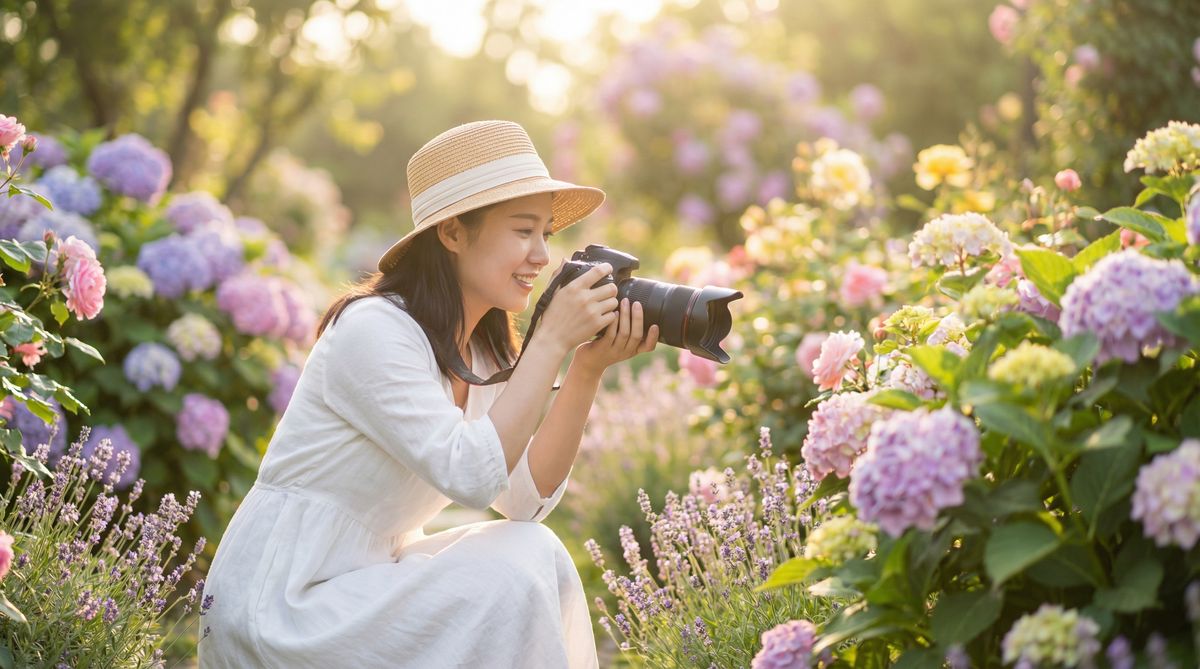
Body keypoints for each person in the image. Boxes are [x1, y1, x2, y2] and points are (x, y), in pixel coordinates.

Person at [198, 120, 659, 668]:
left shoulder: (481, 351)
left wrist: (584, 370)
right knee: (513, 571)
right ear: (453, 233)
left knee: (534, 553)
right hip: (282, 603)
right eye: (521, 231)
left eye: (545, 235)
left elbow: (523, 500)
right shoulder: (375, 330)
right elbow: (471, 476)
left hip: (363, 583)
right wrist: (552, 340)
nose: (541, 256)